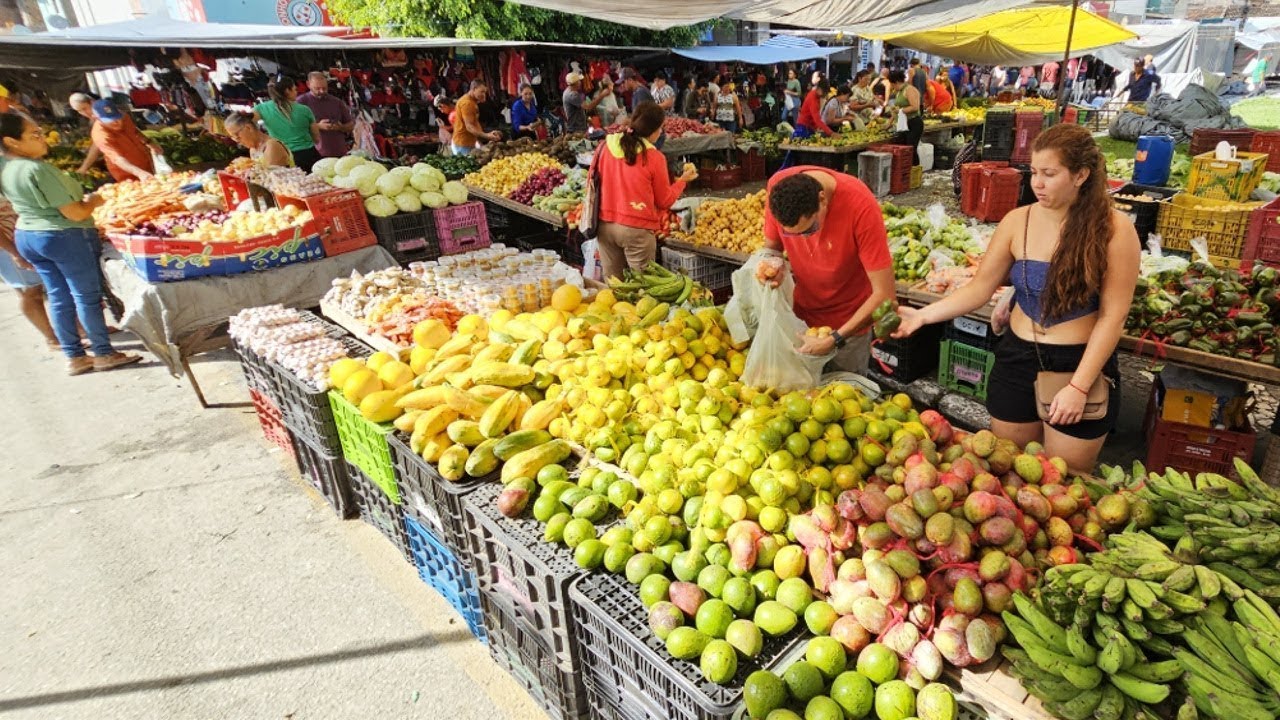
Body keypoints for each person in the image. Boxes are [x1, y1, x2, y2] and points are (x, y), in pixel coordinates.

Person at [894, 124, 1139, 472]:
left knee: (1066, 479)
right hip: (1017, 359)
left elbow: (1113, 317)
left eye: (1049, 174)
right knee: (1008, 468)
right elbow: (979, 289)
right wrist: (923, 316)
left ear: (1081, 174)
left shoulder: (1115, 230)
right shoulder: (1017, 221)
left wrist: (1079, 387)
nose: (1036, 183)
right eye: (1034, 172)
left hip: (1077, 362)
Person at [0, 113, 140, 375]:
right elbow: (75, 213)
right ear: (12, 141)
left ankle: (75, 357)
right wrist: (96, 201)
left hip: (29, 235)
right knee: (85, 296)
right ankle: (103, 353)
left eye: (40, 132)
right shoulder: (37, 169)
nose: (42, 139)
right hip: (62, 236)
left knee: (58, 296)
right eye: (34, 135)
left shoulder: (7, 170)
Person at [759, 164, 894, 373]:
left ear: (822, 199)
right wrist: (773, 266)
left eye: (810, 229)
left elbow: (884, 295)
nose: (805, 239)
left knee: (847, 398)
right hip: (802, 319)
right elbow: (772, 248)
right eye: (792, 234)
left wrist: (836, 338)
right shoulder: (778, 188)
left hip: (849, 324)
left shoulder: (860, 206)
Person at [593, 102, 697, 280]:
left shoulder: (604, 147)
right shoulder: (654, 157)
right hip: (636, 229)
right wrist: (682, 182)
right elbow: (664, 201)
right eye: (661, 128)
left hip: (604, 226)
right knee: (643, 289)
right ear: (654, 131)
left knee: (614, 287)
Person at [0, 196, 58, 350]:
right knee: (32, 292)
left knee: (46, 286)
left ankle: (76, 330)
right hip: (8, 247)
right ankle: (51, 339)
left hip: (21, 240)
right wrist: (14, 253)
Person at [253, 75, 320, 171]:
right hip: (307, 155)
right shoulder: (304, 110)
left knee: (287, 185)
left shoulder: (261, 108)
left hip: (280, 156)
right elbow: (316, 137)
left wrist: (264, 139)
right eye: (295, 89)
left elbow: (245, 122)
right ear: (287, 91)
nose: (296, 92)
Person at [89, 99, 159, 183]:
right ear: (96, 118)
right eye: (109, 120)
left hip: (145, 162)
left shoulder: (124, 116)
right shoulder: (100, 135)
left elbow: (135, 131)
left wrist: (149, 143)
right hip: (127, 173)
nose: (116, 122)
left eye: (117, 117)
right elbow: (117, 159)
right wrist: (139, 173)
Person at [296, 71, 353, 159]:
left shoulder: (336, 102)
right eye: (317, 88)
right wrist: (318, 126)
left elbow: (350, 125)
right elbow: (295, 127)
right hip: (315, 154)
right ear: (308, 84)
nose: (322, 91)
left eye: (324, 88)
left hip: (340, 151)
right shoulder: (300, 103)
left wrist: (340, 127)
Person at [224, 112, 292, 168]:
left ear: (248, 128)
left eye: (237, 136)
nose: (237, 141)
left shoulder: (271, 145)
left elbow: (272, 179)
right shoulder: (253, 149)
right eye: (233, 137)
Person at [454, 79, 501, 156]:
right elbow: (469, 127)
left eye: (485, 92)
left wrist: (486, 135)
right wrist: (487, 136)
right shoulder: (467, 104)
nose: (484, 94)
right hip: (464, 144)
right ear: (474, 89)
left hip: (468, 142)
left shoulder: (472, 101)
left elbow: (474, 122)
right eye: (481, 92)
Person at [889, 70, 924, 164]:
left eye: (892, 84)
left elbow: (915, 106)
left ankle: (915, 171)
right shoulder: (899, 92)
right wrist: (889, 123)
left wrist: (900, 110)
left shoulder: (909, 89)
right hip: (904, 124)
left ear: (896, 82)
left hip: (914, 123)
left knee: (911, 149)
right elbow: (896, 109)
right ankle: (905, 171)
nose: (892, 87)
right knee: (903, 148)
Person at [69, 93, 104, 175]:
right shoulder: (94, 117)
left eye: (85, 108)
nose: (84, 113)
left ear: (92, 102)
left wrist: (84, 167)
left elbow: (97, 145)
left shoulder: (104, 116)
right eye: (79, 111)